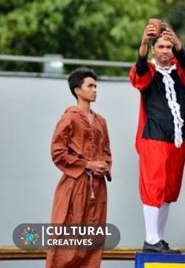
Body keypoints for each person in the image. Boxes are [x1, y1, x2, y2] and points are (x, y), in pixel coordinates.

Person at [129, 19, 185, 253]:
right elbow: (138, 72)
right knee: (153, 188)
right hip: (154, 138)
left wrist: (179, 45)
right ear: (154, 49)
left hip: (178, 140)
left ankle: (157, 238)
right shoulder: (148, 70)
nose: (166, 52)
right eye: (161, 47)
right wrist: (143, 43)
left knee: (168, 191)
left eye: (169, 47)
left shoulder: (179, 71)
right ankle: (150, 239)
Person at [46, 68, 112, 268]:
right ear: (77, 90)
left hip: (97, 187)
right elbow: (57, 152)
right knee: (68, 236)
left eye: (95, 86)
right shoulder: (70, 117)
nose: (94, 90)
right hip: (75, 185)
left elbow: (106, 151)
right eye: (90, 86)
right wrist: (86, 164)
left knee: (92, 238)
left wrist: (103, 166)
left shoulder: (101, 121)